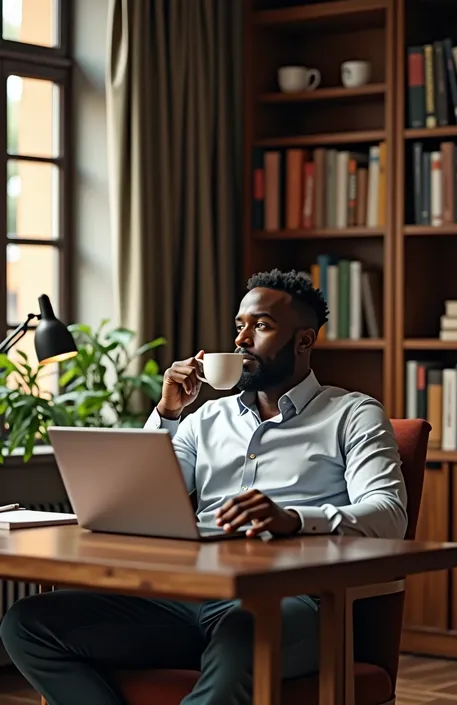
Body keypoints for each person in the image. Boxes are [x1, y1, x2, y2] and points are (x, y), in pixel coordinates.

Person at [0, 269, 407, 705]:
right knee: (27, 624)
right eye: (239, 326)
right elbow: (137, 499)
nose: (241, 340)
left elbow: (389, 514)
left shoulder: (352, 414)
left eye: (262, 326)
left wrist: (293, 519)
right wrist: (168, 413)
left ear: (304, 341)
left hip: (289, 601)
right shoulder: (206, 419)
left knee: (242, 633)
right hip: (188, 595)